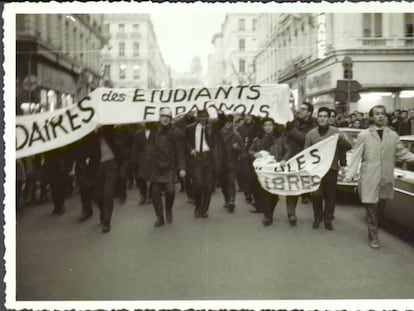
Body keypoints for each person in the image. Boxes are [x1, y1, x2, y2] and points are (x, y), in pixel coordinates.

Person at [346, 105, 414, 249]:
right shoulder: (364, 135)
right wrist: (350, 174)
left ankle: (373, 229)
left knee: (380, 208)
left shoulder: (393, 135)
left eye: (382, 114)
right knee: (371, 207)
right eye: (377, 114)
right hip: (369, 176)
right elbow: (356, 155)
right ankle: (373, 236)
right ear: (371, 117)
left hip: (385, 177)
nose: (380, 116)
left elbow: (402, 153)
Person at [305, 107, 352, 230]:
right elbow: (306, 153)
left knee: (330, 196)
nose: (322, 119)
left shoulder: (336, 132)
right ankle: (317, 217)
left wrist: (341, 140)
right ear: (317, 118)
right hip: (316, 170)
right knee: (316, 194)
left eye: (325, 116)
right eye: (320, 116)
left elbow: (348, 147)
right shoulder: (311, 134)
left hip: (331, 168)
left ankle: (328, 219)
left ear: (329, 118)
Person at [148, 108, 186, 227]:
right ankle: (160, 217)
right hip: (155, 166)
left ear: (171, 119)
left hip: (169, 166)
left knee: (170, 191)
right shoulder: (154, 131)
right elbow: (149, 147)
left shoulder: (176, 133)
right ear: (159, 117)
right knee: (154, 192)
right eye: (163, 116)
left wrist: (182, 168)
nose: (165, 118)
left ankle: (168, 209)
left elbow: (180, 152)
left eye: (168, 116)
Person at [249, 117, 290, 226]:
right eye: (266, 125)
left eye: (270, 125)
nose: (268, 127)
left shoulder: (280, 139)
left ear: (273, 126)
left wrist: (284, 160)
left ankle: (269, 212)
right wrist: (254, 154)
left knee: (274, 195)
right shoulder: (258, 139)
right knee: (264, 193)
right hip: (263, 171)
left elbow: (288, 150)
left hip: (275, 169)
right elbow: (250, 150)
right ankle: (268, 216)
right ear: (263, 127)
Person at [186, 109, 224, 218]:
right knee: (198, 184)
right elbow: (186, 141)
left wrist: (219, 112)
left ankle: (204, 210)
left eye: (205, 117)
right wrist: (190, 149)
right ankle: (198, 206)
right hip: (197, 158)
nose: (203, 119)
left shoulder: (212, 127)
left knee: (208, 186)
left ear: (208, 117)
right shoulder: (190, 128)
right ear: (197, 117)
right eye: (201, 117)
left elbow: (222, 122)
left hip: (209, 158)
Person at [284, 101, 316, 225]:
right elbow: (285, 137)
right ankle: (291, 213)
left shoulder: (314, 125)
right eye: (299, 109)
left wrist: (291, 130)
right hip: (292, 158)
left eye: (303, 109)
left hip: (306, 160)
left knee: (302, 186)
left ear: (309, 112)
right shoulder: (293, 122)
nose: (299, 111)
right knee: (292, 186)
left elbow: (305, 138)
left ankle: (321, 216)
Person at [217, 113, 245, 213]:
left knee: (231, 181)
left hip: (232, 162)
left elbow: (242, 150)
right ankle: (227, 199)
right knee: (224, 183)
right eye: (227, 123)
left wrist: (237, 148)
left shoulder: (236, 135)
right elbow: (215, 147)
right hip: (221, 162)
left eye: (230, 123)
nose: (228, 125)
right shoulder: (219, 134)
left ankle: (232, 200)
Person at [237, 114, 263, 204]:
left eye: (249, 116)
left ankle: (255, 194)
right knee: (246, 174)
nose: (247, 117)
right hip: (244, 154)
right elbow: (237, 140)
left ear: (252, 117)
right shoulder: (240, 128)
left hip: (255, 154)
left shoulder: (258, 127)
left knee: (254, 175)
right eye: (245, 116)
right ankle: (248, 194)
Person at [131, 122, 155, 205]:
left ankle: (152, 196)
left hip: (153, 158)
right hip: (142, 159)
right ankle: (143, 195)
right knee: (141, 178)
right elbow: (135, 148)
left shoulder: (156, 132)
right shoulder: (138, 134)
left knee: (153, 177)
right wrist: (134, 160)